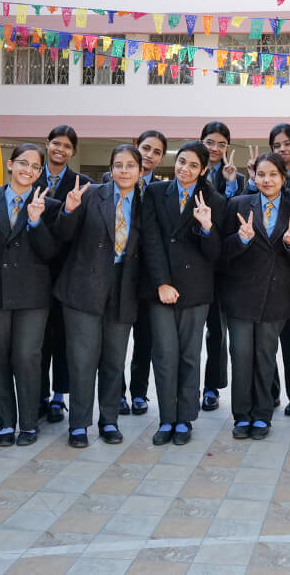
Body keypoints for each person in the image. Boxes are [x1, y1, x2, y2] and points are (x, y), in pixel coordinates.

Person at [0, 143, 61, 447]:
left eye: (35, 167)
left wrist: (35, 222)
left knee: (27, 358)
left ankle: (29, 423)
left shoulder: (49, 204)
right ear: (10, 165)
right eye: (24, 163)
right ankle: (6, 423)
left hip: (33, 296)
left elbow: (50, 253)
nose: (29, 171)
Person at [56, 145, 146, 448]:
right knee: (82, 360)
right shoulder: (91, 194)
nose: (124, 170)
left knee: (113, 360)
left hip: (123, 288)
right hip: (84, 287)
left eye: (130, 165)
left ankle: (109, 420)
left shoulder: (147, 201)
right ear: (110, 168)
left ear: (140, 170)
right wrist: (68, 210)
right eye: (118, 165)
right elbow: (63, 235)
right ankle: (79, 425)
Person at [143, 141, 224, 446]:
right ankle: (166, 418)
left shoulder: (214, 199)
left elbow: (216, 254)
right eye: (181, 162)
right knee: (164, 355)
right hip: (161, 289)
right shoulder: (154, 193)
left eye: (193, 165)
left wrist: (206, 227)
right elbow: (150, 240)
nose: (185, 169)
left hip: (195, 290)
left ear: (204, 169)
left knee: (189, 356)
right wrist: (161, 282)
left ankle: (185, 419)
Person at [222, 152, 290, 440]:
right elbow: (222, 252)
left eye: (273, 174)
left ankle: (261, 415)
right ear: (254, 176)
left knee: (265, 357)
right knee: (242, 357)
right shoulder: (237, 205)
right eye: (261, 174)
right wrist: (241, 239)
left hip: (276, 296)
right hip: (241, 296)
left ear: (283, 178)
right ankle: (241, 415)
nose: (267, 179)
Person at [244, 123, 290, 416]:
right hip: (261, 274)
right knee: (265, 340)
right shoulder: (259, 178)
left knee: (289, 335)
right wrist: (253, 180)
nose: (282, 149)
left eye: (287, 144)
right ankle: (270, 392)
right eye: (276, 145)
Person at [35, 125, 90, 424]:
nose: (60, 149)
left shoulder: (82, 184)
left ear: (73, 151)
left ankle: (59, 396)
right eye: (55, 143)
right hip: (35, 273)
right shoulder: (30, 176)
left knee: (64, 340)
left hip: (68, 275)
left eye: (67, 146)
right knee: (38, 340)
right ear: (47, 143)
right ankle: (40, 394)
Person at [119, 129, 168, 416]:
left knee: (145, 340)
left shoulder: (159, 191)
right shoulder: (109, 181)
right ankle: (117, 393)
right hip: (117, 276)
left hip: (147, 278)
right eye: (146, 148)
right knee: (116, 340)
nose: (150, 155)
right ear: (137, 147)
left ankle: (139, 393)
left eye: (157, 152)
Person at [199, 121, 244, 413]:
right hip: (192, 263)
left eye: (221, 144)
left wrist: (229, 183)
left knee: (217, 330)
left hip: (222, 266)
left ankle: (211, 387)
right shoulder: (189, 170)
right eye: (210, 142)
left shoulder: (236, 179)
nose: (215, 149)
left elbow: (231, 216)